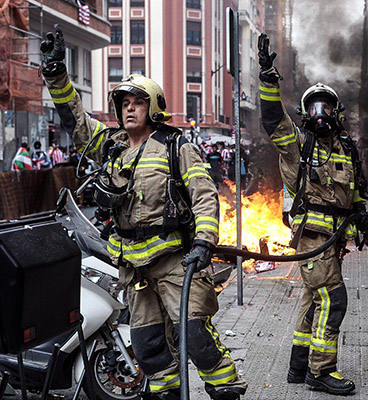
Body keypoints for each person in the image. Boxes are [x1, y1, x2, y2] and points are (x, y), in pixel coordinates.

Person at [40, 25, 246, 400]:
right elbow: (77, 122)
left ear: (152, 106)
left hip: (174, 261)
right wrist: (56, 75)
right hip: (132, 266)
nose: (128, 108)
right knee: (148, 345)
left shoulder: (174, 145)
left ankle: (226, 389)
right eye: (123, 103)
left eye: (136, 101)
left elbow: (204, 196)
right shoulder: (113, 146)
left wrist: (204, 242)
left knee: (195, 335)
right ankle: (168, 394)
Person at [258, 33, 368, 396]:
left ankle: (298, 365)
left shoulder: (346, 148)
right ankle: (320, 372)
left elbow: (356, 191)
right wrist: (267, 77)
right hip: (312, 239)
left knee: (313, 300)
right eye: (313, 107)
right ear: (306, 113)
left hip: (335, 241)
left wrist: (361, 215)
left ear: (336, 111)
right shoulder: (298, 145)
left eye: (325, 106)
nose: (319, 113)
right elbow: (273, 120)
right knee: (332, 300)